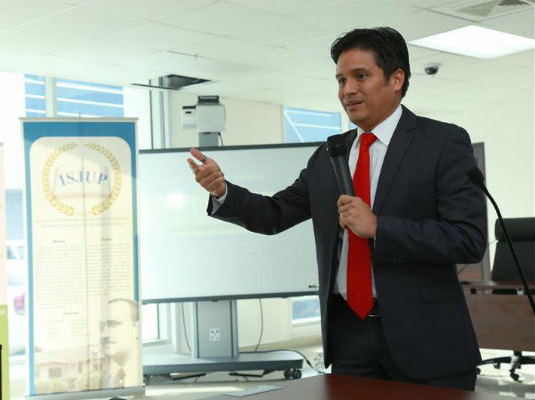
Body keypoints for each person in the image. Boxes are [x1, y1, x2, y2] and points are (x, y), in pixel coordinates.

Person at [187, 27, 487, 390]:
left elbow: (468, 240)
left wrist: (379, 227)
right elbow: (273, 214)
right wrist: (222, 191)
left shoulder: (442, 142)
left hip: (428, 342)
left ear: (396, 79)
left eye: (360, 76)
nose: (347, 90)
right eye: (341, 80)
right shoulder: (330, 154)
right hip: (350, 337)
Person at [99, 297, 142, 389]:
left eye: (113, 324)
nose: (104, 334)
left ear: (136, 328)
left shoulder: (149, 378)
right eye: (102, 326)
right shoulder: (105, 381)